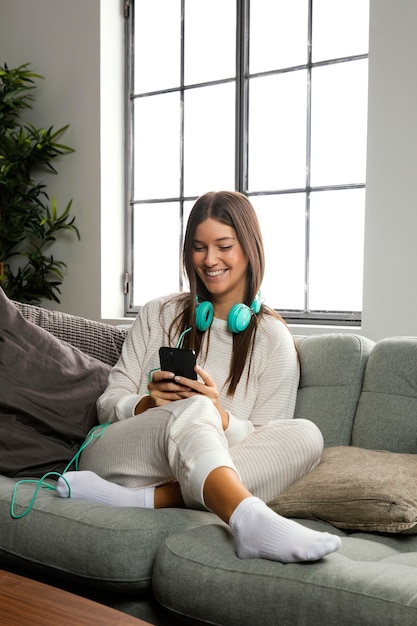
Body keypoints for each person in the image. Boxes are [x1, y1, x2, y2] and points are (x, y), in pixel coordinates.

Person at [57, 191, 341, 563]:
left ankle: (138, 501)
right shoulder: (159, 313)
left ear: (249, 248)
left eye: (223, 246)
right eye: (198, 248)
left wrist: (219, 415)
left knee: (307, 435)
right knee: (195, 409)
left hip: (181, 471)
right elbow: (106, 406)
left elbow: (263, 443)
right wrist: (147, 403)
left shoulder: (273, 339)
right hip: (122, 456)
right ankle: (247, 516)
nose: (210, 260)